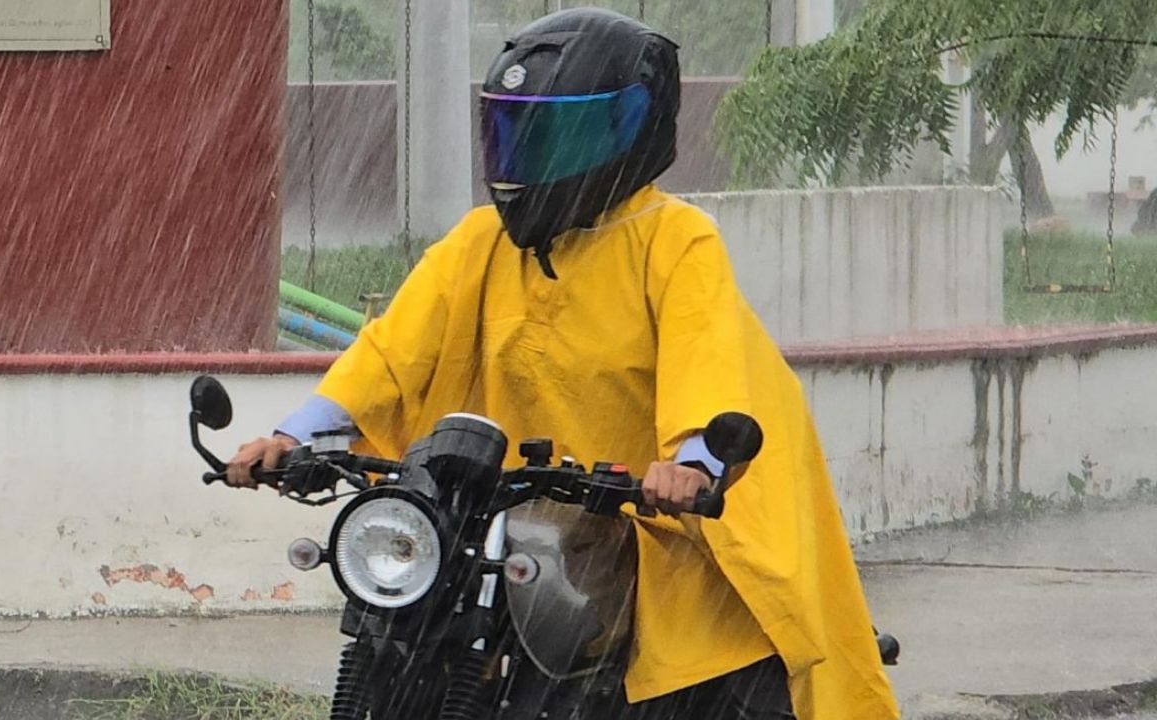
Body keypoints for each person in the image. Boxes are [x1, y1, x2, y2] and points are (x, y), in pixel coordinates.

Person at [229, 8, 899, 720]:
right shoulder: (483, 241)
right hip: (519, 526)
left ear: (625, 130)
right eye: (511, 134)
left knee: (725, 673)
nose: (522, 161)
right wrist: (296, 435)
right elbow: (392, 351)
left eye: (547, 136)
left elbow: (712, 365)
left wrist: (693, 464)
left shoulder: (673, 241)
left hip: (659, 524)